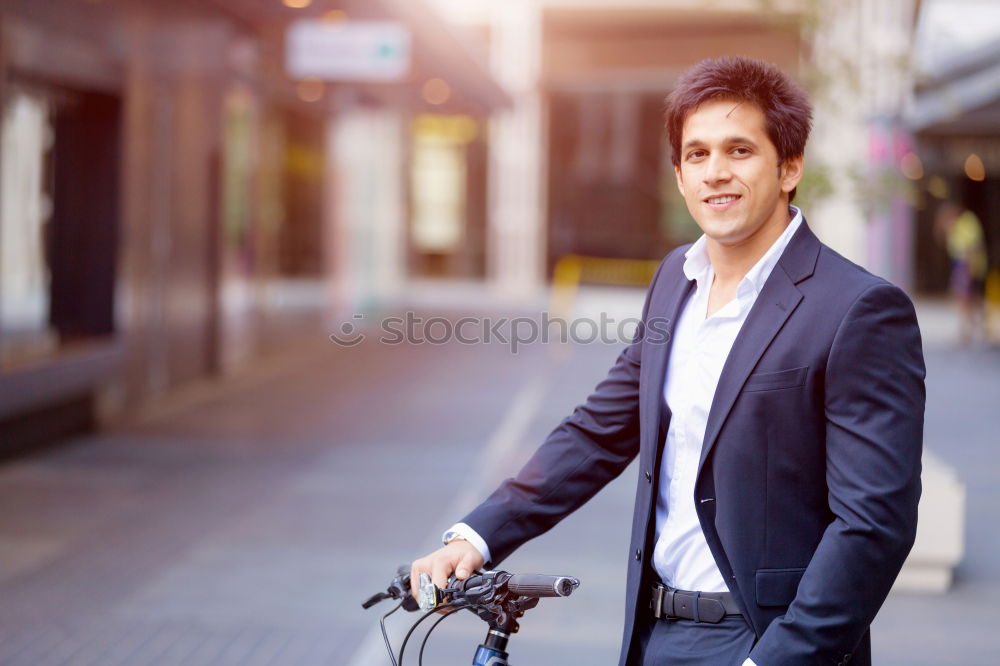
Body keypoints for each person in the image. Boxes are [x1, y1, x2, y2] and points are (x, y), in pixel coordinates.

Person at [410, 56, 925, 666]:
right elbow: (600, 430)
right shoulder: (674, 281)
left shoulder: (859, 309)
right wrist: (479, 534)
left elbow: (872, 525)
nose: (715, 173)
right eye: (697, 155)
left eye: (739, 151)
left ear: (789, 167)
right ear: (679, 175)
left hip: (767, 642)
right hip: (653, 636)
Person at [935, 201, 988, 344]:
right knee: (969, 298)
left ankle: (969, 330)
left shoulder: (967, 221)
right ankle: (973, 329)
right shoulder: (957, 225)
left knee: (964, 298)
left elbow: (972, 246)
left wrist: (970, 269)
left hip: (967, 264)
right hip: (962, 264)